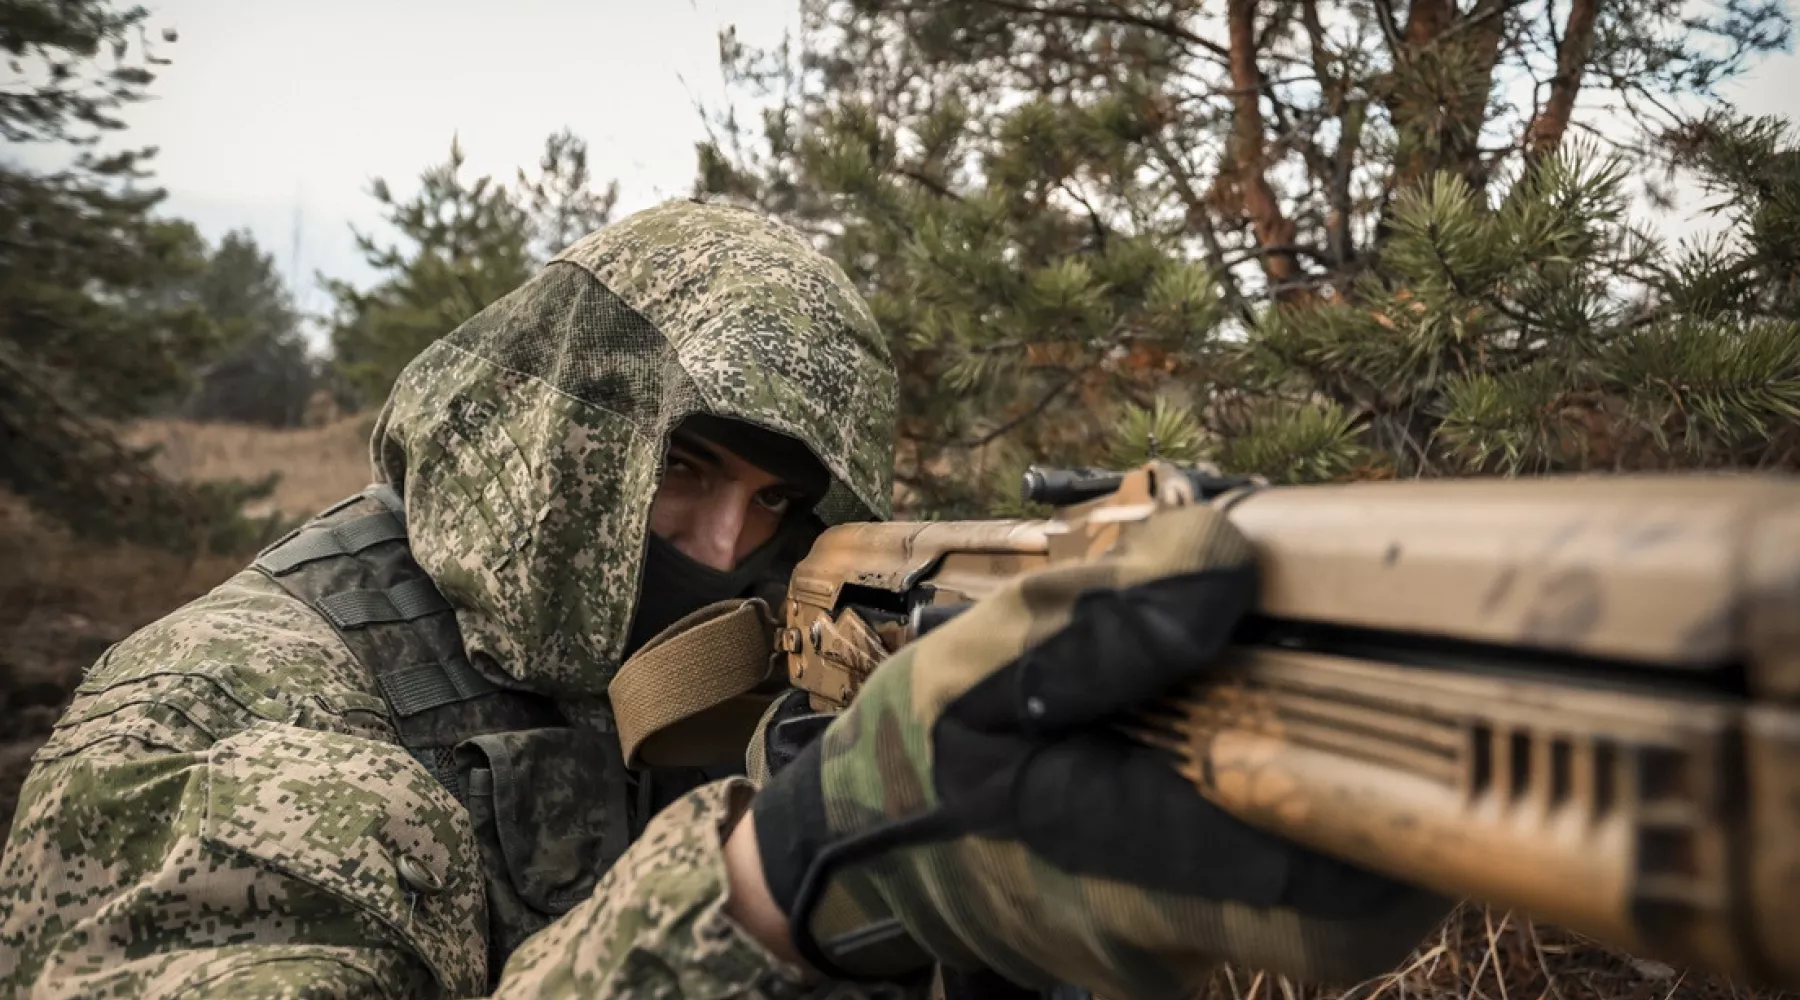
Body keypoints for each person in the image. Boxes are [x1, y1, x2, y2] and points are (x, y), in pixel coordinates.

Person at [0, 200, 1448, 1000]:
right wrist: (777, 882)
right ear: (557, 432)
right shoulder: (229, 715)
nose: (721, 540)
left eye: (778, 503)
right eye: (683, 469)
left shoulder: (761, 658)